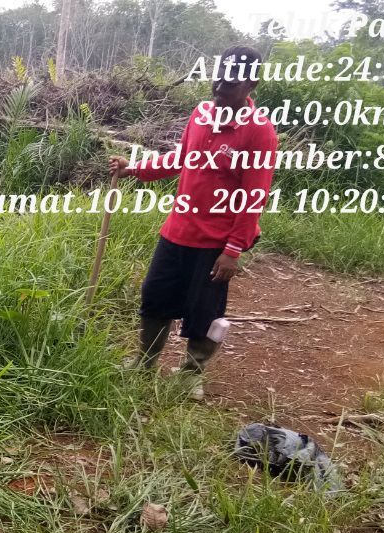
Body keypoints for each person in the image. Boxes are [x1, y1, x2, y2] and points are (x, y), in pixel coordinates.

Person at [109, 45, 278, 401]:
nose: (220, 88)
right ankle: (145, 360)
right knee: (155, 294)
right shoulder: (200, 115)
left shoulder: (259, 132)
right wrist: (135, 169)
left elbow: (254, 194)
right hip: (178, 229)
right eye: (218, 78)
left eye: (230, 82)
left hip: (216, 241)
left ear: (252, 84)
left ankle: (191, 373)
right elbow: (181, 159)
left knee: (206, 310)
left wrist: (233, 250)